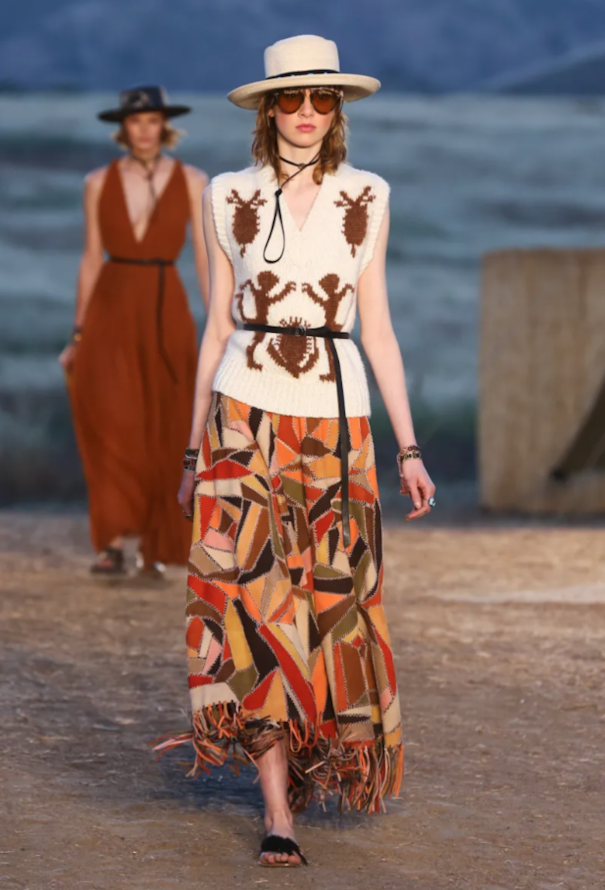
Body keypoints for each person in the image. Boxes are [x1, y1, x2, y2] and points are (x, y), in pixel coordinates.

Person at [162, 35, 436, 867]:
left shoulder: (367, 194)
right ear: (268, 108)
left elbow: (377, 328)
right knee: (247, 603)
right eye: (292, 97)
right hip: (241, 417)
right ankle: (276, 808)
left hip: (334, 423)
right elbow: (216, 327)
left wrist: (409, 448)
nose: (308, 111)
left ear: (337, 108)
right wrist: (190, 453)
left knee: (332, 603)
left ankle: (317, 758)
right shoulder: (226, 193)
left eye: (323, 98)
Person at [59, 86, 209, 575]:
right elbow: (90, 258)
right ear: (123, 127)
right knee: (112, 420)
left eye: (152, 120)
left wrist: (221, 326)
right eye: (136, 121)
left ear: (164, 125)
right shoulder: (97, 182)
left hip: (166, 307)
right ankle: (113, 540)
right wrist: (78, 334)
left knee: (167, 421)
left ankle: (154, 545)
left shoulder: (193, 181)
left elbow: (204, 258)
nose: (144, 129)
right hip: (112, 306)